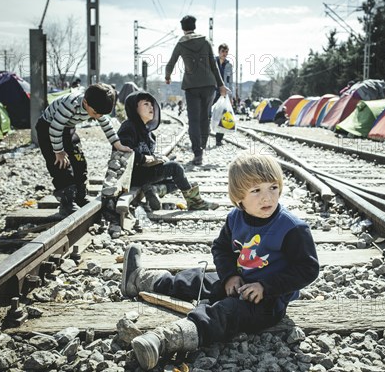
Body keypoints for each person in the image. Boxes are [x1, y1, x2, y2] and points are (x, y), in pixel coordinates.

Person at [120, 153, 320, 370]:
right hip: (241, 279)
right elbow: (222, 248)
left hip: (268, 301)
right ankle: (139, 280)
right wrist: (230, 276)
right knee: (196, 278)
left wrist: (266, 286)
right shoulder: (235, 217)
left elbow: (307, 269)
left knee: (225, 311)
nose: (268, 197)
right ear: (239, 198)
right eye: (256, 190)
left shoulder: (291, 228)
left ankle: (165, 340)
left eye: (273, 187)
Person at [36, 83, 132, 216]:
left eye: (100, 114)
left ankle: (80, 196)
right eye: (95, 113)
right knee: (61, 165)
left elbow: (106, 124)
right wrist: (58, 152)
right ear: (85, 102)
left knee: (79, 161)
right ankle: (67, 202)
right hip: (48, 129)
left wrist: (117, 144)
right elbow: (55, 129)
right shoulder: (70, 104)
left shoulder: (96, 106)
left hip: (67, 129)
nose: (97, 116)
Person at [117, 91, 218, 211]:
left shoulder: (149, 133)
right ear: (134, 109)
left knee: (179, 179)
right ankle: (195, 202)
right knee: (175, 168)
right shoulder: (128, 127)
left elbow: (147, 154)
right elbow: (125, 153)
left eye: (151, 104)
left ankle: (154, 190)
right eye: (145, 104)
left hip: (144, 174)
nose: (151, 107)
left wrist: (157, 159)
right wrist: (146, 159)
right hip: (134, 175)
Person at [165, 15, 227, 166]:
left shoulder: (181, 44)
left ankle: (197, 153)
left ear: (183, 28)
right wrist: (221, 85)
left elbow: (171, 62)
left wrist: (168, 76)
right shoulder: (205, 41)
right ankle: (203, 146)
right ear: (194, 26)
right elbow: (213, 65)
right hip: (209, 85)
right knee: (204, 117)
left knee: (193, 120)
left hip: (191, 86)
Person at [212, 43, 234, 147]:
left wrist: (231, 96)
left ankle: (219, 139)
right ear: (219, 52)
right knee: (207, 114)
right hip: (212, 92)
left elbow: (230, 82)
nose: (224, 54)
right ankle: (203, 137)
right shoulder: (212, 62)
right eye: (222, 51)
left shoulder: (229, 65)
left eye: (226, 52)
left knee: (222, 116)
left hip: (224, 93)